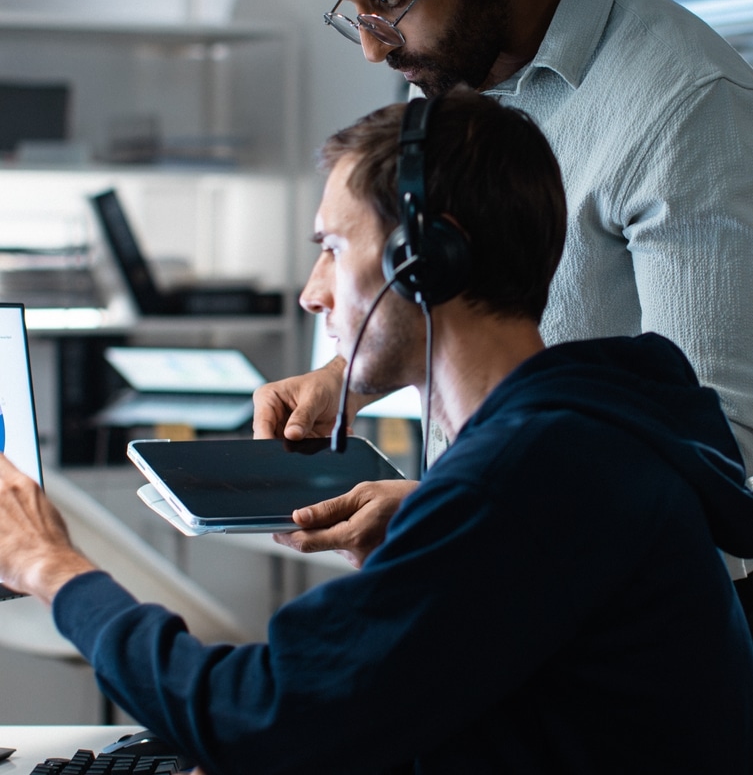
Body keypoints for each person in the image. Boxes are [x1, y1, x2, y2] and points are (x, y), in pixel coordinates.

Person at [2, 89, 753, 773]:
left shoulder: (529, 473)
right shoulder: (581, 436)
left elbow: (259, 715)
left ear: (423, 260)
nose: (310, 293)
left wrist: (51, 568)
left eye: (330, 248)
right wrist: (423, 546)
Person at [253, 0, 753, 585]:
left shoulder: (688, 104)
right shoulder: (456, 74)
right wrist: (351, 375)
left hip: (621, 632)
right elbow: (467, 305)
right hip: (498, 588)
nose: (372, 49)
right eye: (351, 11)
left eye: (386, 1)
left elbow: (716, 459)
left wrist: (443, 508)